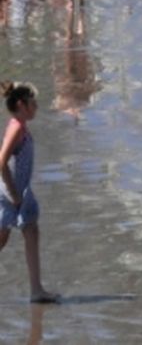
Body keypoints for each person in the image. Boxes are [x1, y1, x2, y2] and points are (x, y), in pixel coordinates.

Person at [0, 82, 59, 304]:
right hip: (9, 193)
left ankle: (36, 290)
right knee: (2, 238)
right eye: (33, 103)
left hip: (21, 191)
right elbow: (1, 162)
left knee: (32, 230)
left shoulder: (21, 125)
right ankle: (36, 289)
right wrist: (14, 195)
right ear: (20, 105)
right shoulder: (16, 127)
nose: (36, 106)